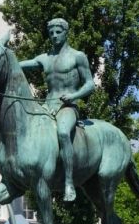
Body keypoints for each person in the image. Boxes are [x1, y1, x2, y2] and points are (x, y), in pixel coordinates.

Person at [19, 18, 95, 201]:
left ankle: (69, 182)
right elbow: (19, 65)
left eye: (58, 32)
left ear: (66, 32)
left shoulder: (78, 56)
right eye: (51, 32)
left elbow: (90, 84)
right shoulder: (45, 58)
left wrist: (74, 96)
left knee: (62, 132)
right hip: (47, 105)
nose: (54, 35)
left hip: (67, 106)